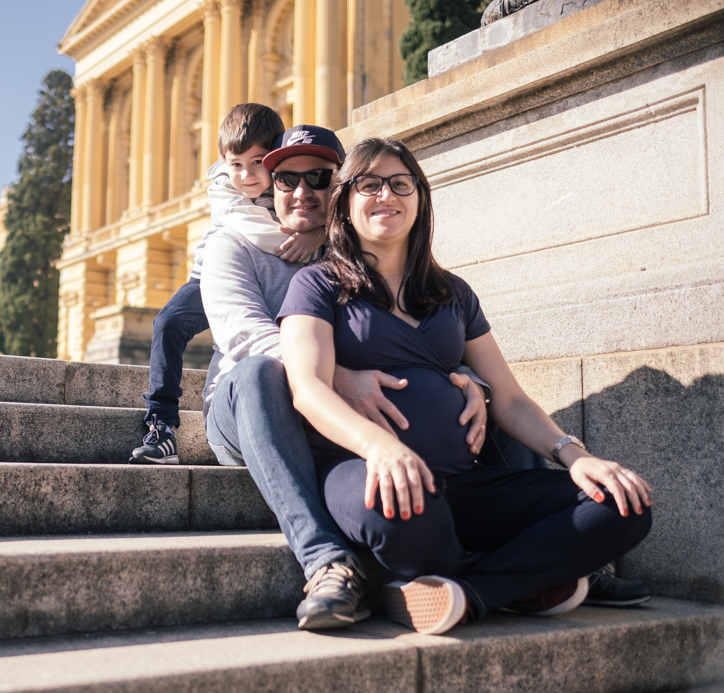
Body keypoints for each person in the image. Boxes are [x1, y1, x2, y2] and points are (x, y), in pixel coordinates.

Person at [276, 137, 653, 634]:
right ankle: (524, 581)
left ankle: (470, 592)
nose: (385, 195)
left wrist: (574, 455)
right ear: (345, 202)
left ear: (419, 199)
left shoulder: (453, 292)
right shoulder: (318, 284)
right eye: (368, 184)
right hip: (364, 473)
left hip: (465, 483)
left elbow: (511, 398)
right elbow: (308, 389)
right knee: (399, 514)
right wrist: (382, 449)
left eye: (399, 183)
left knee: (624, 503)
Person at [201, 124, 491, 629]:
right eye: (286, 179)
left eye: (318, 178)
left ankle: (555, 542)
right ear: (269, 188)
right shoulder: (233, 245)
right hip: (255, 409)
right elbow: (245, 336)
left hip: (336, 422)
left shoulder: (360, 245)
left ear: (340, 188)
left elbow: (419, 332)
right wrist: (339, 377)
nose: (300, 191)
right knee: (260, 371)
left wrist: (472, 380)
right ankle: (325, 561)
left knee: (484, 399)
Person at [130, 103, 324, 464]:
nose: (246, 175)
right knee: (168, 323)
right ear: (223, 162)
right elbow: (256, 229)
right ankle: (161, 424)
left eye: (257, 162)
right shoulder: (223, 189)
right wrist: (311, 234)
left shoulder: (287, 181)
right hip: (213, 277)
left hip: (268, 277)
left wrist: (321, 230)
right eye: (236, 164)